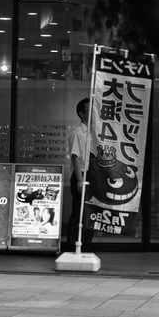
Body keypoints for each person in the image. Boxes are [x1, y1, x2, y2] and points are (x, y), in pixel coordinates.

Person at [64, 97, 96, 252]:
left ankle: (87, 243)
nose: (93, 114)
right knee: (78, 211)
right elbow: (75, 157)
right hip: (82, 174)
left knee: (91, 212)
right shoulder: (77, 133)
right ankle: (72, 244)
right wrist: (80, 180)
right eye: (90, 111)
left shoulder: (94, 133)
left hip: (94, 175)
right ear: (81, 114)